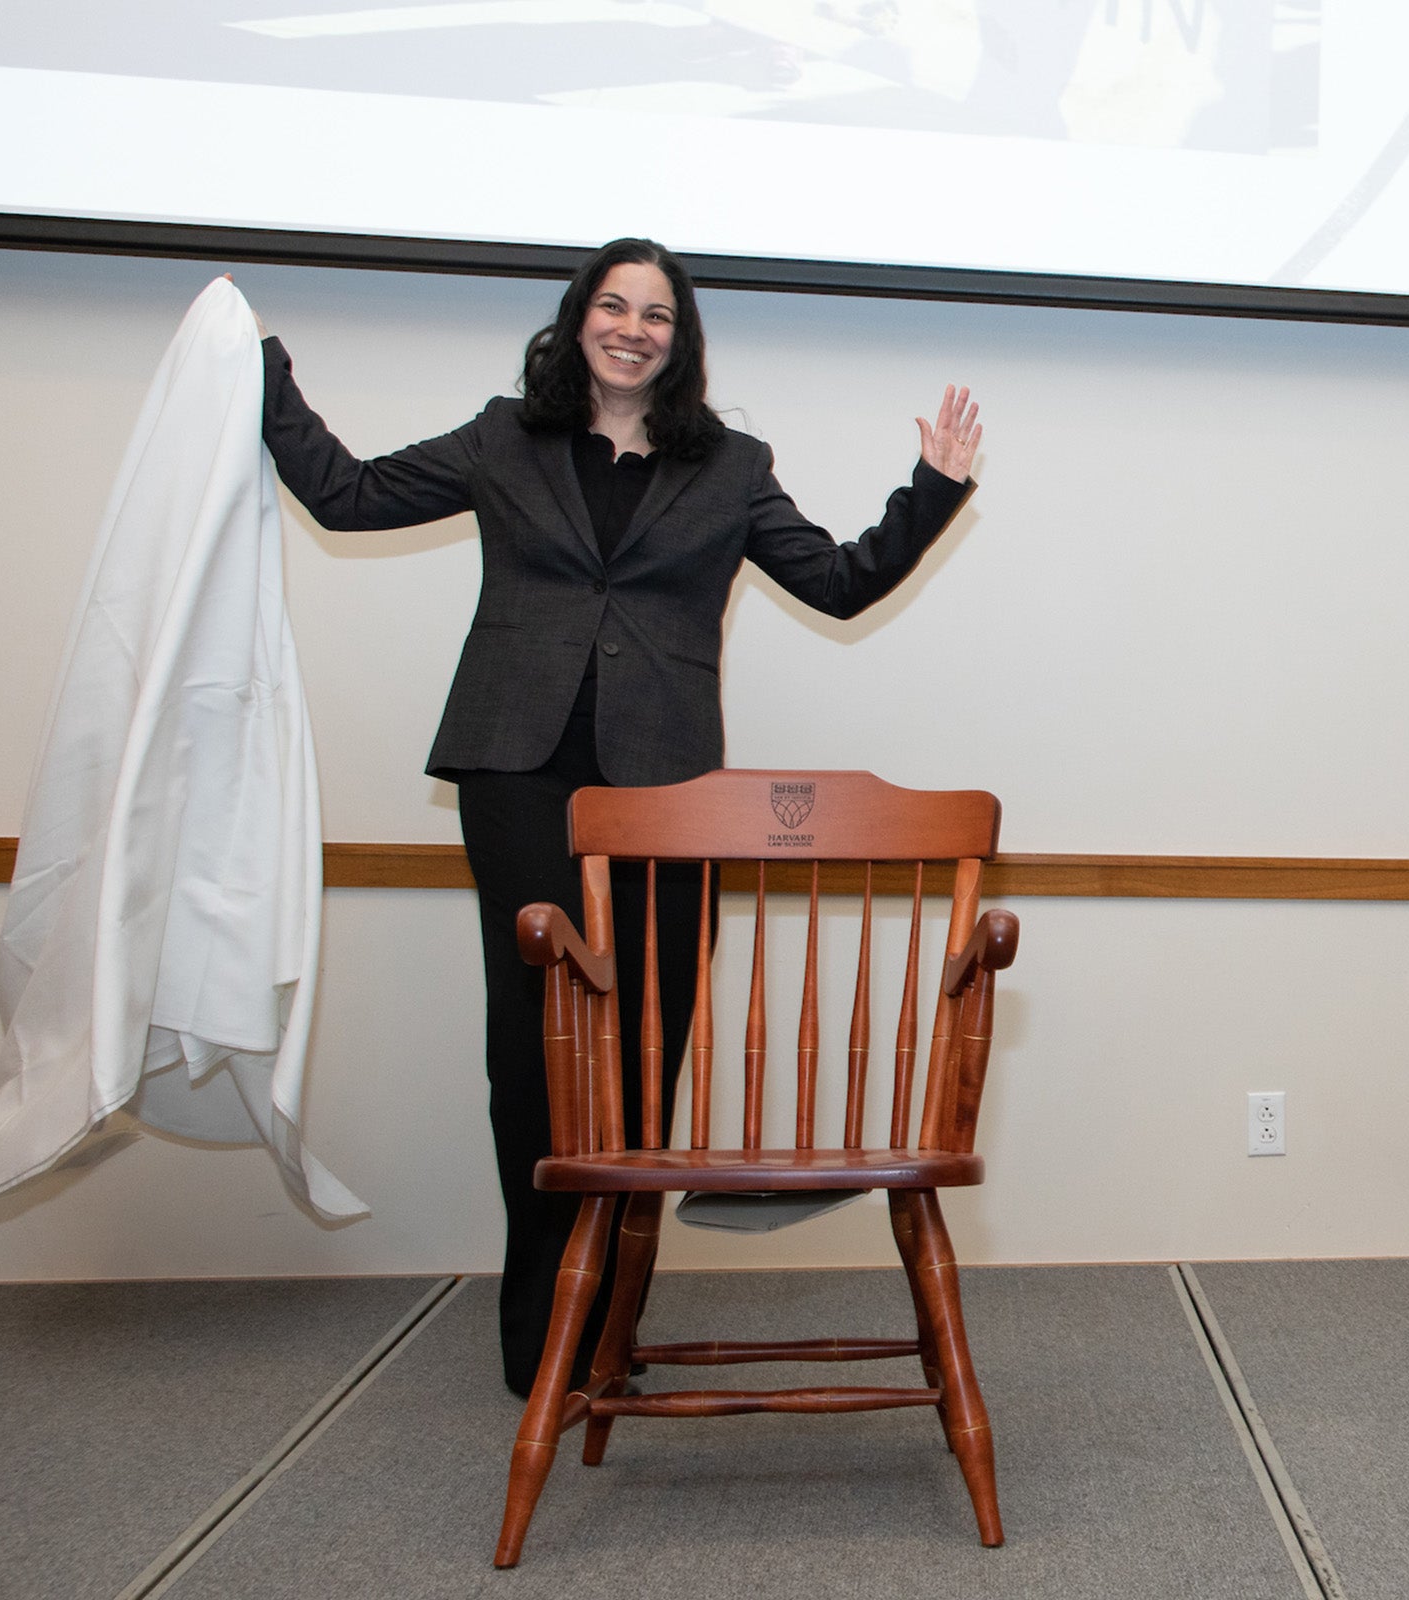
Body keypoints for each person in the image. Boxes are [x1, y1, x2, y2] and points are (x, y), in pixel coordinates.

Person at [257, 238, 983, 1397]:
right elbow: (344, 496)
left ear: (680, 339)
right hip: (520, 772)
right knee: (533, 1050)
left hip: (668, 795)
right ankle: (540, 1332)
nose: (633, 327)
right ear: (578, 319)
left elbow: (841, 581)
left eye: (657, 313)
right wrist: (260, 377)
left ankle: (609, 1332)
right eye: (614, 304)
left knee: (649, 1049)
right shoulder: (504, 438)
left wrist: (933, 487)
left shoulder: (734, 465)